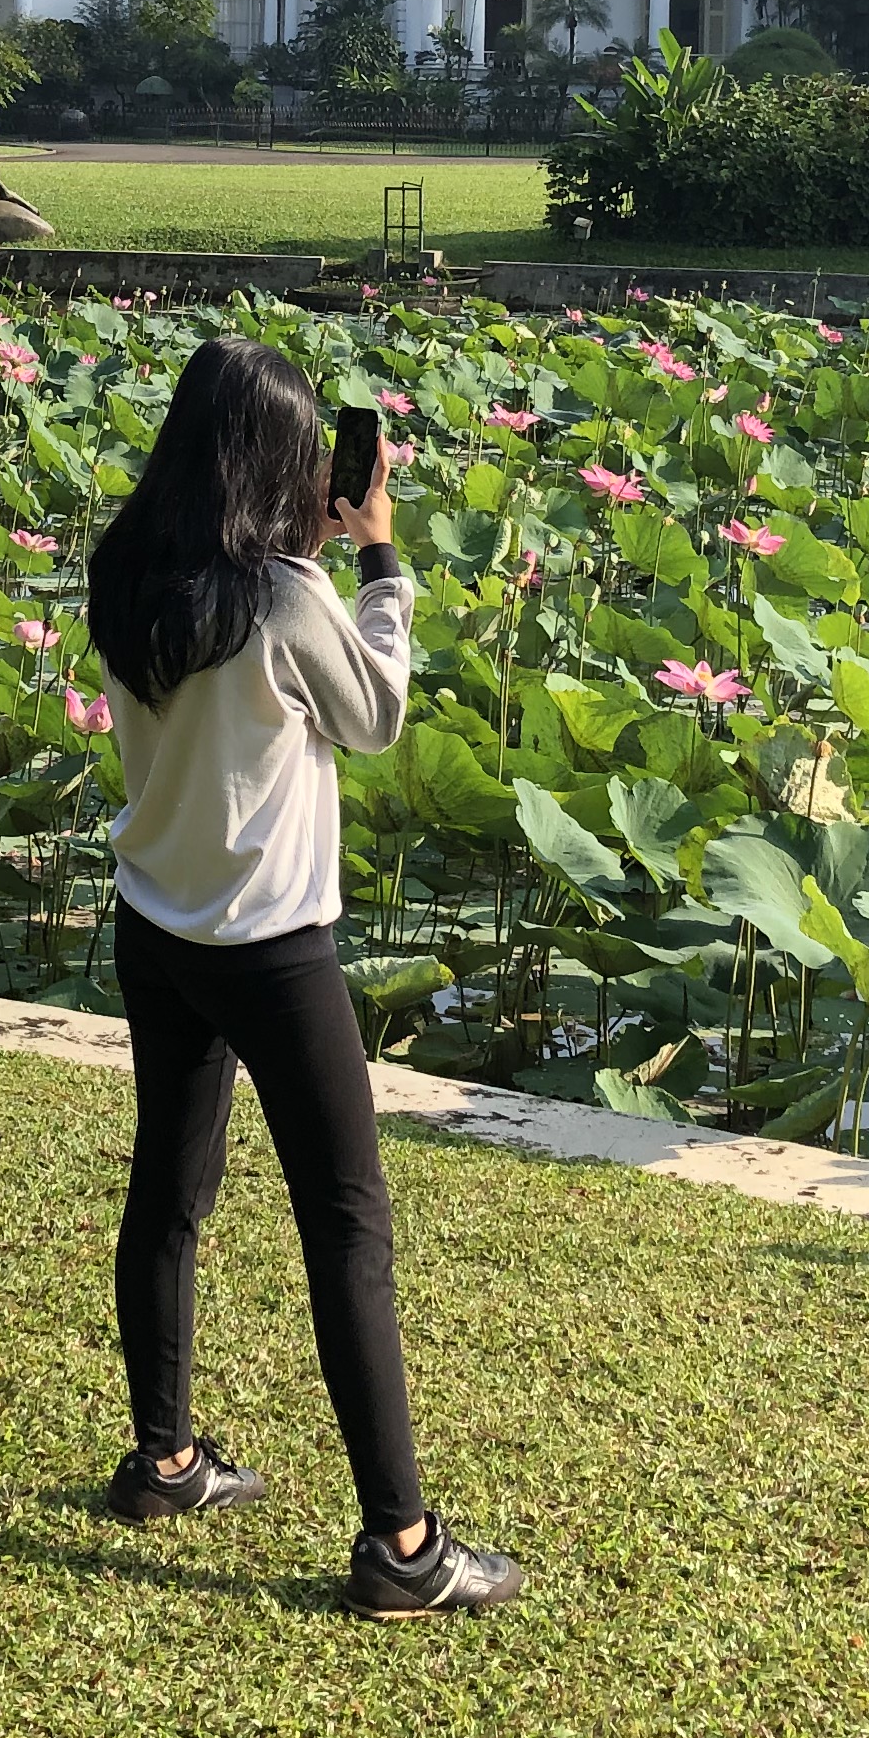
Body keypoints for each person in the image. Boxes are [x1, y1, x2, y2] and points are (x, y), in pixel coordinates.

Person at [84, 338, 525, 1621]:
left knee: (167, 1187)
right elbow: (375, 716)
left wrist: (317, 562)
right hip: (274, 947)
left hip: (157, 924)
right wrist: (379, 556)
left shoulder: (129, 572)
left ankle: (164, 1458)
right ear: (278, 464)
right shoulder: (286, 596)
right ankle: (402, 1544)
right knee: (347, 1228)